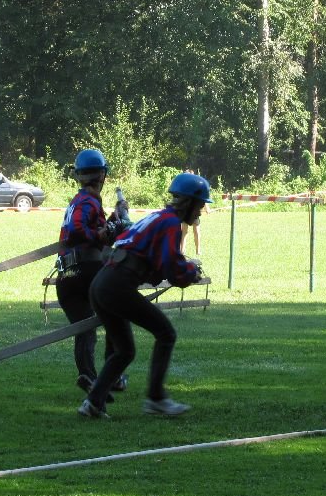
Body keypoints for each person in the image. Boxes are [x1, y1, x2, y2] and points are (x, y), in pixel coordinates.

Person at [79, 172, 211, 418]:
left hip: (102, 284)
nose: (201, 212)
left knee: (124, 351)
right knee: (166, 333)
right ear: (190, 202)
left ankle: (93, 404)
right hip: (117, 285)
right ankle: (156, 399)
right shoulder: (171, 224)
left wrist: (182, 269)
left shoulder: (159, 217)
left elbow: (153, 258)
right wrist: (190, 272)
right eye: (200, 205)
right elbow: (171, 267)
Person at [55, 149, 131, 397]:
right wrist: (102, 233)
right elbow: (80, 229)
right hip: (87, 270)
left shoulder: (78, 200)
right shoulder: (88, 201)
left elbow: (100, 232)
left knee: (85, 329)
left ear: (79, 176)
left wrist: (115, 219)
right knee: (117, 313)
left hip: (67, 276)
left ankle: (88, 375)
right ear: (102, 176)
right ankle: (114, 374)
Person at [179, 169, 207, 254]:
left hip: (194, 211)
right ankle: (182, 251)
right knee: (184, 231)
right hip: (185, 211)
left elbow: (203, 197)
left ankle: (198, 250)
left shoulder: (197, 186)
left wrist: (207, 207)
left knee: (196, 231)